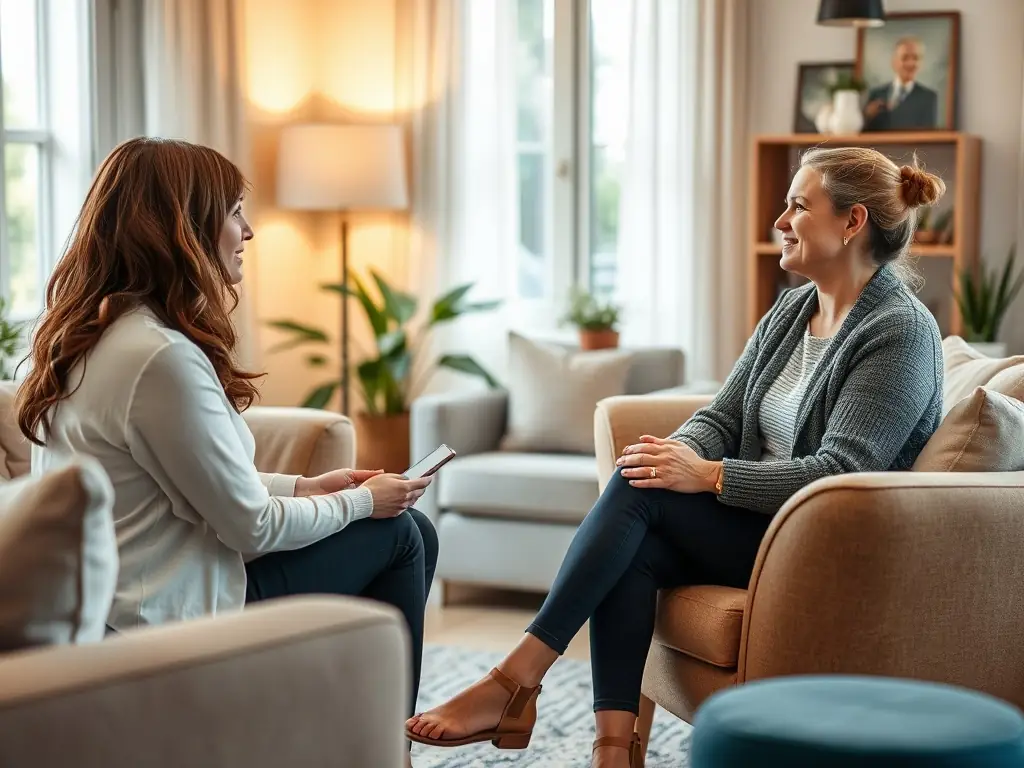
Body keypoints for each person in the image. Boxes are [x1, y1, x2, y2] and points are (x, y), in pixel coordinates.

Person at [405, 146, 946, 768]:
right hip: (757, 525)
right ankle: (615, 751)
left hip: (819, 541)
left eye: (799, 205)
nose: (779, 220)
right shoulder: (794, 309)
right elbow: (725, 415)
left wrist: (709, 475)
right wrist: (678, 453)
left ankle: (513, 683)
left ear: (853, 223)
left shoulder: (899, 331)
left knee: (640, 495)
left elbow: (841, 473)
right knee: (636, 527)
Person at [16, 137, 437, 746]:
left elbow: (173, 481)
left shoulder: (89, 336)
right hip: (158, 623)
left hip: (112, 609)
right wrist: (363, 503)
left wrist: (304, 486)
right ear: (184, 227)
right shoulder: (158, 358)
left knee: (408, 531)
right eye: (235, 211)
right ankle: (377, 748)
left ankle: (331, 729)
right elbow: (251, 528)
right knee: (400, 534)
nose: (249, 230)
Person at [864, 36, 939, 131]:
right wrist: (867, 116)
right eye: (905, 58)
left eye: (916, 58)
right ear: (894, 62)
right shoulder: (876, 94)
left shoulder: (928, 97)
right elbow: (865, 131)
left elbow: (928, 135)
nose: (910, 63)